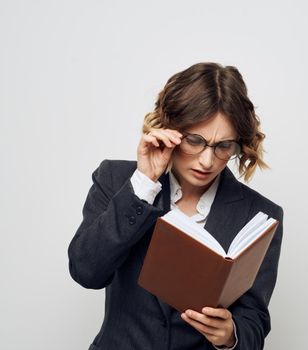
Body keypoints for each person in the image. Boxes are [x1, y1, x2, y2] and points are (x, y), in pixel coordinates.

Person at [67, 62, 284, 350]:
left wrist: (231, 335)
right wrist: (144, 184)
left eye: (223, 146)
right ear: (171, 129)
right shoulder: (118, 180)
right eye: (195, 141)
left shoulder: (260, 215)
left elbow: (254, 323)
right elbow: (86, 271)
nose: (207, 161)